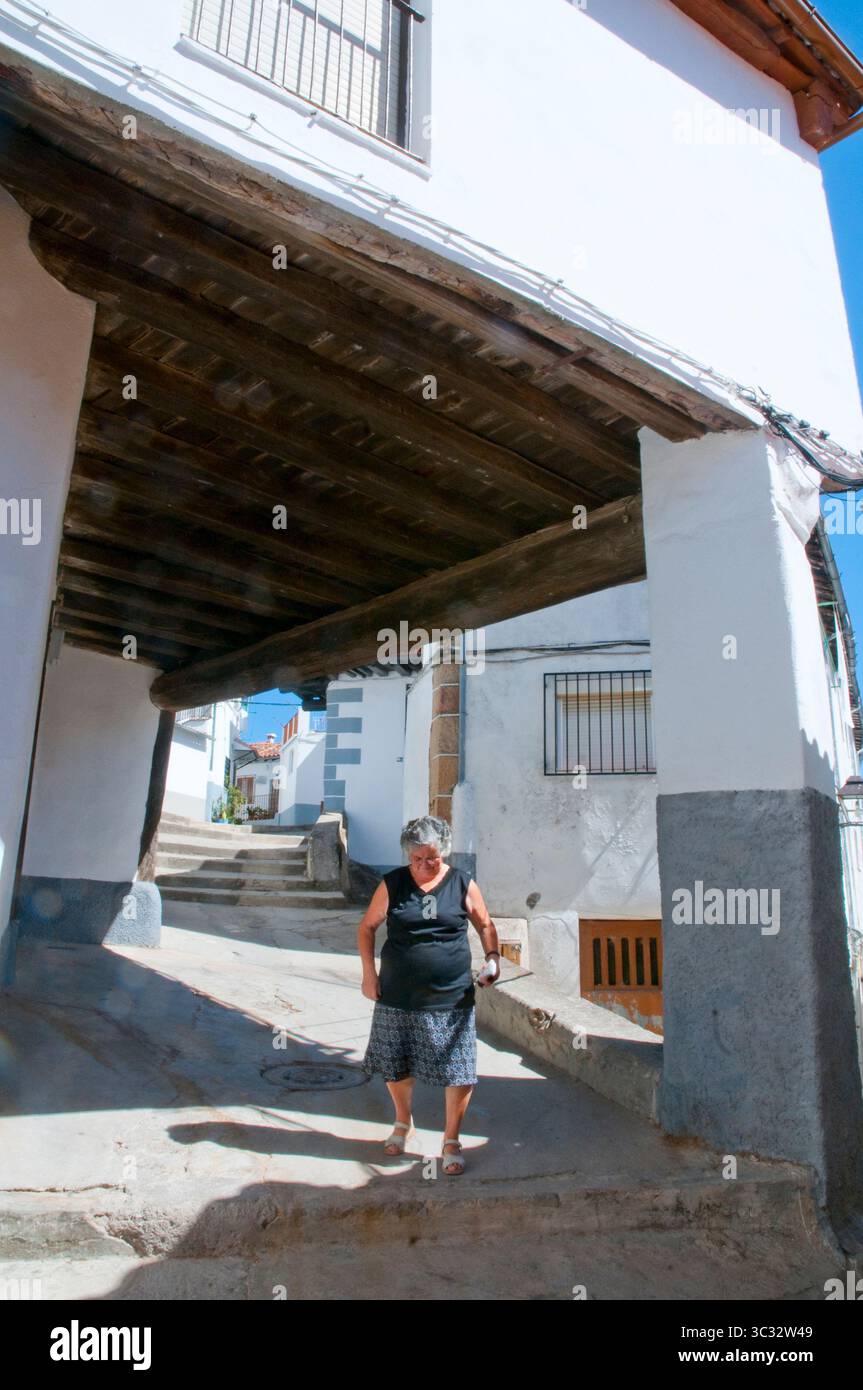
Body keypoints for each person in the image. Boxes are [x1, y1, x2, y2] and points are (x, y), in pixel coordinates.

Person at [358, 815, 501, 1175]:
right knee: (396, 1061)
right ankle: (403, 1121)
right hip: (397, 992)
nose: (424, 865)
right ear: (407, 856)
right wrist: (368, 974)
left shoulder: (461, 883)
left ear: (444, 853)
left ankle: (451, 1139)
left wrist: (494, 959)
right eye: (417, 858)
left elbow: (485, 924)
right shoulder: (393, 883)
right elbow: (367, 927)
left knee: (458, 1069)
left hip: (450, 995)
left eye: (432, 857)